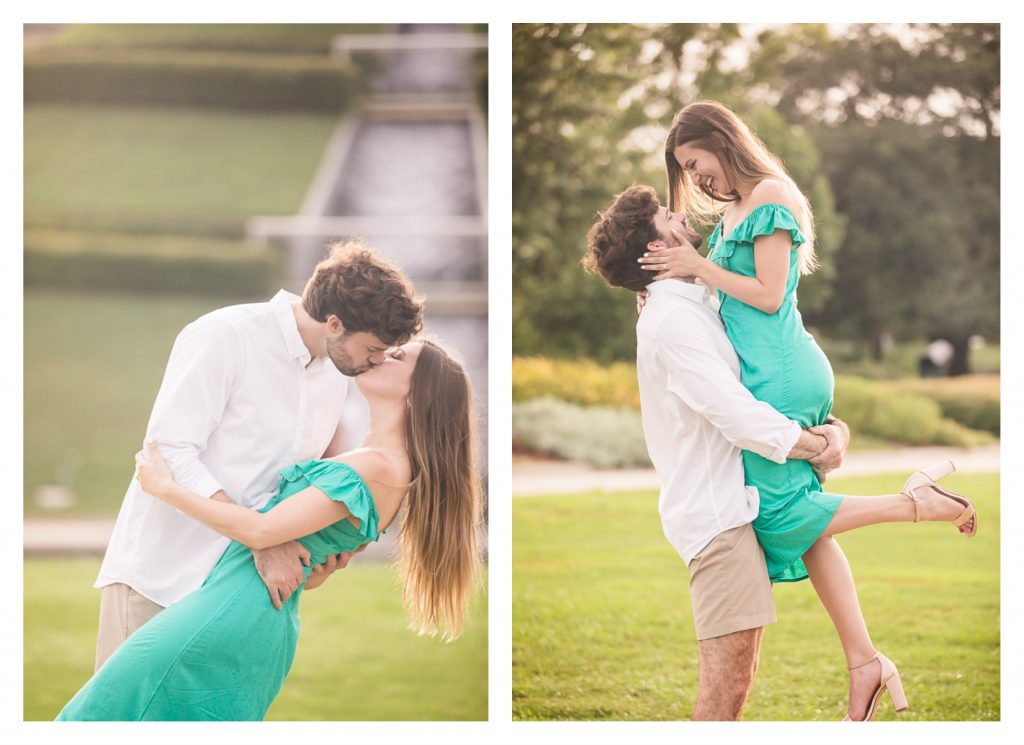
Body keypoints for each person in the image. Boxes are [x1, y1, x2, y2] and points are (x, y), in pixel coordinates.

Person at [584, 177, 976, 721]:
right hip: (716, 517)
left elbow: (756, 379)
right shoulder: (673, 320)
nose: (681, 215)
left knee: (737, 679)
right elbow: (734, 411)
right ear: (656, 249)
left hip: (736, 500)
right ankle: (914, 508)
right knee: (725, 691)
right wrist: (815, 445)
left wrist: (829, 430)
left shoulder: (695, 302)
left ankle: (866, 659)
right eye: (666, 218)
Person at [57, 338, 483, 720]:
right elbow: (309, 563)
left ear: (418, 392)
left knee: (100, 717)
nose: (380, 354)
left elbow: (263, 533)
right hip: (247, 615)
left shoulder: (379, 468)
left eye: (398, 356)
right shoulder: (373, 459)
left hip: (228, 617)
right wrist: (322, 564)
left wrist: (166, 488)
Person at [92, 239, 424, 671]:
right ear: (336, 323)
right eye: (373, 349)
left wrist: (321, 549)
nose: (376, 362)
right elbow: (167, 452)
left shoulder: (335, 374)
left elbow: (283, 482)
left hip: (238, 594)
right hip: (163, 577)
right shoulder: (226, 335)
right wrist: (260, 541)